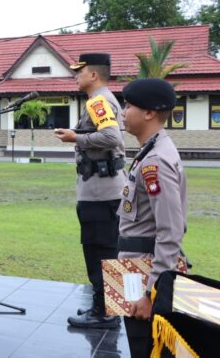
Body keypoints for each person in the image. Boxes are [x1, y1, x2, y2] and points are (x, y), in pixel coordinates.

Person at [116, 78, 187, 357]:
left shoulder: (156, 161)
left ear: (149, 113)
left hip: (145, 272)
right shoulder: (151, 149)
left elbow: (170, 231)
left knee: (144, 346)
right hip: (136, 264)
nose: (123, 112)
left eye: (129, 105)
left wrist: (150, 294)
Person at [54, 53, 124, 329]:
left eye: (79, 71)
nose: (76, 76)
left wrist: (76, 137)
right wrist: (77, 133)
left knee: (100, 252)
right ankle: (102, 305)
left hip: (101, 192)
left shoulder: (99, 101)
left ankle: (104, 312)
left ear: (93, 74)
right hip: (101, 190)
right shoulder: (101, 100)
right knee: (102, 250)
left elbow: (112, 137)